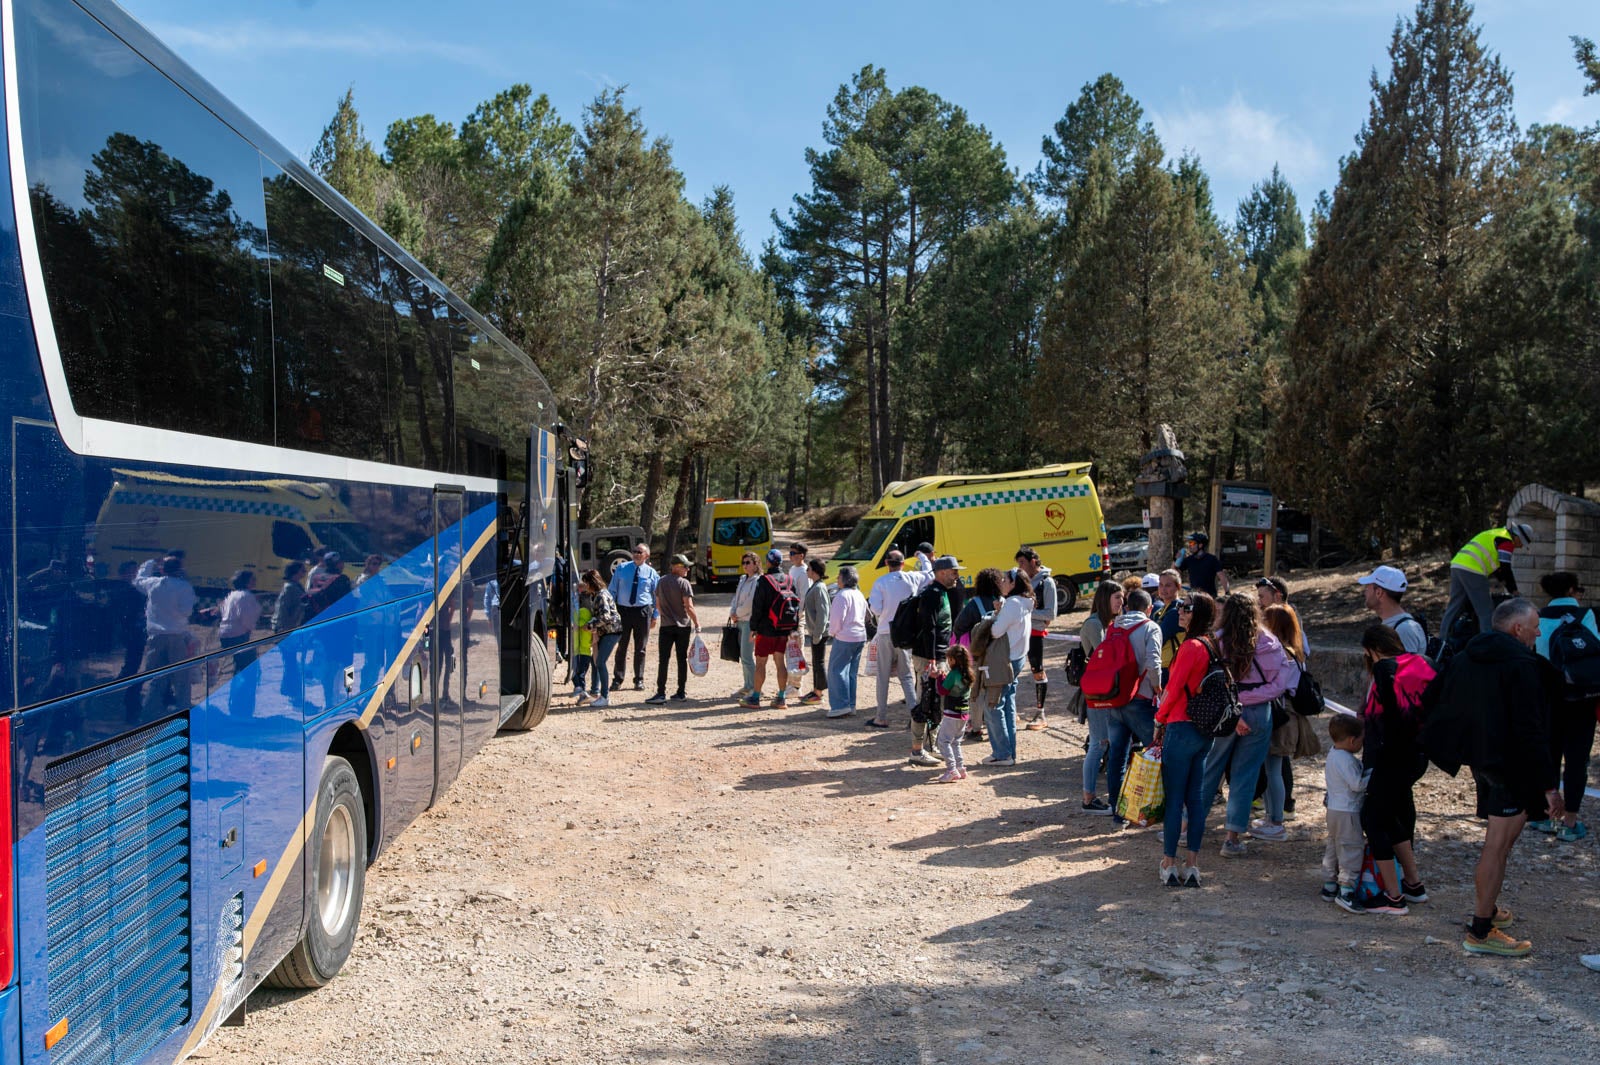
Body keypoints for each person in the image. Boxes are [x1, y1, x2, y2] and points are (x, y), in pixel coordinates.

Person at [1423, 598, 1564, 957]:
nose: (1539, 631)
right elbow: (1531, 730)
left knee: (1504, 838)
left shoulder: (1468, 654)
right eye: (1535, 625)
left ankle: (1490, 906)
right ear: (1517, 629)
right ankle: (1481, 930)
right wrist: (1550, 786)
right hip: (1507, 765)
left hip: (1482, 759)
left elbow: (1435, 698)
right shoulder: (1522, 665)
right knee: (1497, 846)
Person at [1199, 593, 1297, 857]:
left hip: (1226, 711)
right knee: (1245, 776)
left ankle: (1188, 828)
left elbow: (1211, 682)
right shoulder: (1270, 642)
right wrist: (1250, 701)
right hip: (1259, 713)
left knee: (1210, 769)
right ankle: (1232, 838)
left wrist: (1236, 705)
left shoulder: (1217, 642)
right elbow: (1279, 684)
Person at [1354, 623, 1435, 912]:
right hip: (1418, 753)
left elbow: (1387, 714)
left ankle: (1392, 896)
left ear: (1371, 649)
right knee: (1391, 816)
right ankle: (1413, 884)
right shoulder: (1424, 662)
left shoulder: (1383, 669)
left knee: (1372, 818)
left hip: (1390, 755)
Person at [1153, 591, 1218, 887]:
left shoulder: (1191, 646)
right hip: (1205, 729)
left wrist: (1159, 719)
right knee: (1196, 798)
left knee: (1175, 798)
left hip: (1181, 725)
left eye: (1186, 608)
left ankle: (1169, 862)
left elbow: (1174, 688)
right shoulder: (1211, 644)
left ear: (1198, 613)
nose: (1180, 611)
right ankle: (1192, 864)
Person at [1531, 571, 1599, 842]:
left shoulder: (1538, 616)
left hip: (1549, 697)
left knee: (1549, 753)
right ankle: (1570, 821)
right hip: (1583, 698)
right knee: (1577, 760)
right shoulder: (1586, 616)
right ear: (1572, 590)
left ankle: (1544, 814)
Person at [1251, 604, 1318, 841]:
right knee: (1272, 768)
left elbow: (1277, 688)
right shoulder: (1295, 653)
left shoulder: (1282, 654)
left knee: (1273, 769)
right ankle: (1271, 816)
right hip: (1285, 714)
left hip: (1282, 716)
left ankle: (1276, 821)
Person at [1103, 588, 1164, 825]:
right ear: (1149, 608)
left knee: (1117, 756)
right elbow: (1153, 661)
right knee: (1155, 751)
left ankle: (1117, 811)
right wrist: (1157, 688)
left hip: (1116, 698)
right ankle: (1153, 807)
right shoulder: (1151, 627)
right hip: (1140, 699)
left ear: (1127, 606)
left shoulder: (1114, 627)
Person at [907, 556, 962, 766]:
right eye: (954, 571)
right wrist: (931, 658)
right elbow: (928, 627)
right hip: (928, 657)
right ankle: (916, 749)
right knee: (925, 701)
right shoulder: (931, 595)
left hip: (939, 656)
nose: (957, 576)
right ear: (941, 573)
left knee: (936, 703)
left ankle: (933, 746)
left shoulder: (943, 593)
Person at [1442, 522, 1534, 639]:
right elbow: (1505, 567)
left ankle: (1442, 640)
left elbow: (1497, 568)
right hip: (1473, 569)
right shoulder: (1506, 541)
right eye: (1522, 543)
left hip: (1457, 565)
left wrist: (1504, 582)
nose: (1520, 547)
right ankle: (1488, 642)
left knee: (1454, 606)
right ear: (1517, 537)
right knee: (1486, 611)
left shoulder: (1496, 533)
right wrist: (1514, 590)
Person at [1078, 580, 1124, 813]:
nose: (1121, 602)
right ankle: (1088, 798)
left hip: (1107, 691)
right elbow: (1105, 657)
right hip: (1098, 692)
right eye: (1117, 597)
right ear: (1106, 598)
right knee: (1098, 744)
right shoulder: (1094, 625)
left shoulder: (1108, 623)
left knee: (1103, 743)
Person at [865, 550, 925, 728]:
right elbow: (929, 572)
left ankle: (881, 716)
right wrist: (922, 557)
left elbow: (875, 608)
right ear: (903, 562)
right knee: (906, 676)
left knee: (882, 676)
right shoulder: (912, 578)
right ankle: (915, 716)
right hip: (906, 634)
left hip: (885, 631)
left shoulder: (880, 582)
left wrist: (884, 614)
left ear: (886, 563)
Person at [1322, 713, 1371, 914]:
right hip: (1347, 812)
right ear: (1352, 740)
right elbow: (1357, 784)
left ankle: (1329, 884)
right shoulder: (1347, 760)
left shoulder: (1333, 754)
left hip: (1334, 809)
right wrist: (1373, 774)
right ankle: (1347, 890)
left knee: (1333, 845)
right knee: (1351, 848)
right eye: (1361, 740)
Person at [983, 569, 1033, 767]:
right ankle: (1008, 752)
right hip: (1017, 658)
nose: (1001, 582)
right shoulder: (1024, 602)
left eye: (1005, 579)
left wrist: (996, 614)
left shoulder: (1013, 604)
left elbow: (995, 631)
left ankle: (1003, 753)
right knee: (1007, 706)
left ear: (1013, 584)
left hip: (1005, 660)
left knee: (993, 706)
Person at [135, 554, 197, 714]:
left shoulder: (153, 584)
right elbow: (186, 611)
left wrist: (149, 562)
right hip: (176, 635)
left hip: (155, 636)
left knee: (157, 678)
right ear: (180, 569)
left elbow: (138, 579)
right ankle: (183, 710)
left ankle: (149, 713)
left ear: (162, 569)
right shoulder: (184, 587)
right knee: (181, 678)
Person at [954, 567, 1003, 740]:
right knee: (997, 689)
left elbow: (959, 626)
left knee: (976, 691)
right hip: (1000, 655)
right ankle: (996, 726)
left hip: (978, 654)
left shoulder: (975, 604)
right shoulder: (1004, 603)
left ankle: (976, 727)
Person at [743, 548, 794, 710]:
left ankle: (756, 697)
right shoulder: (789, 579)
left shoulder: (764, 581)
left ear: (769, 562)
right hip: (783, 628)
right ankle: (781, 698)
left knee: (760, 663)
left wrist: (753, 628)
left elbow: (757, 607)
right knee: (780, 662)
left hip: (766, 629)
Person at [646, 555, 699, 705]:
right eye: (685, 566)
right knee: (681, 659)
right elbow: (688, 606)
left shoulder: (661, 581)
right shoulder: (684, 583)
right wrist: (697, 623)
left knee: (663, 660)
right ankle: (681, 692)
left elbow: (657, 604)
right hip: (683, 626)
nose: (688, 569)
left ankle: (660, 693)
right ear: (676, 566)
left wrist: (664, 616)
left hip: (666, 626)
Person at [1015, 547, 1057, 730]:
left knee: (1037, 671)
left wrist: (1026, 612)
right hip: (1018, 632)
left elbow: (1050, 613)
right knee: (1011, 670)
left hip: (1035, 634)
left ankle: (1041, 713)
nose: (1020, 567)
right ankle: (1011, 710)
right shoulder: (1021, 581)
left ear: (1033, 561)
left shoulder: (1047, 583)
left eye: (1023, 563)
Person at [609, 543, 660, 691]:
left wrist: (655, 615)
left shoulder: (651, 573)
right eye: (635, 551)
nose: (636, 554)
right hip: (623, 612)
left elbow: (657, 596)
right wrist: (611, 611)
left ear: (646, 556)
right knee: (621, 647)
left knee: (641, 648)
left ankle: (639, 680)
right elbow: (612, 590)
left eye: (640, 552)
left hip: (642, 612)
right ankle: (617, 680)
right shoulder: (622, 569)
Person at [826, 566, 869, 718]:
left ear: (844, 579)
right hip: (860, 636)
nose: (837, 579)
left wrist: (833, 633)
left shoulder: (842, 595)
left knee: (836, 671)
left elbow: (837, 619)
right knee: (851, 672)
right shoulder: (859, 594)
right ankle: (851, 704)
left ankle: (840, 705)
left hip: (845, 636)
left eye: (839, 576)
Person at [1359, 565, 1428, 656]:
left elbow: (1408, 669)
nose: (1365, 592)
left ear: (1379, 592)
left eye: (1368, 587)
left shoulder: (1404, 630)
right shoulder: (1394, 625)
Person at [582, 570, 624, 708]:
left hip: (611, 632)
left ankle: (605, 696)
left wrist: (590, 625)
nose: (585, 586)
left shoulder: (601, 596)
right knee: (597, 662)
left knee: (600, 662)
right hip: (606, 632)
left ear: (591, 583)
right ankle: (600, 693)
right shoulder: (597, 595)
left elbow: (606, 617)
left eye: (586, 583)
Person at [934, 644, 975, 782]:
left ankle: (951, 770)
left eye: (948, 659)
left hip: (952, 712)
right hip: (964, 713)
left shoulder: (953, 674)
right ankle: (961, 767)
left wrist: (940, 678)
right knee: (956, 741)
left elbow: (943, 691)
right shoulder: (968, 673)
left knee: (943, 741)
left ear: (953, 660)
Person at [728, 552, 761, 701]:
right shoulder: (742, 579)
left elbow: (750, 602)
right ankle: (747, 684)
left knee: (747, 655)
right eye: (744, 563)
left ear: (755, 564)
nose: (745, 565)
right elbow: (736, 597)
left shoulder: (757, 580)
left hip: (749, 621)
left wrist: (738, 613)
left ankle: (755, 687)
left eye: (748, 562)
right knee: (743, 654)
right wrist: (732, 612)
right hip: (739, 620)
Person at [217, 569, 263, 673]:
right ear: (247, 581)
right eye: (253, 579)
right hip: (238, 634)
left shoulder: (232, 594)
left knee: (240, 664)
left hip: (225, 633)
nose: (255, 581)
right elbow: (246, 618)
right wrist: (250, 627)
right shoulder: (246, 596)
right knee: (247, 667)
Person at [801, 558, 831, 705]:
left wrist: (818, 634)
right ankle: (816, 689)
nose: (807, 571)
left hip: (819, 633)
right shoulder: (815, 586)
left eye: (808, 569)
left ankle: (819, 693)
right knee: (816, 661)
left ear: (814, 571)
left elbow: (823, 613)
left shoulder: (819, 588)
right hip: (815, 632)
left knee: (819, 662)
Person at [1152, 569, 1185, 683]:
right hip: (1162, 665)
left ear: (1178, 587)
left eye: (1168, 585)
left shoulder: (1177, 611)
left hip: (1170, 667)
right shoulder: (1160, 610)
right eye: (1160, 585)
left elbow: (1158, 639)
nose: (1163, 589)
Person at [1177, 531, 1228, 597]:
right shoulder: (1189, 560)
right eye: (1189, 543)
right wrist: (1176, 560)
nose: (1189, 545)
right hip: (1194, 597)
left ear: (1200, 545)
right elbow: (1174, 573)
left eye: (1192, 543)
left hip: (1210, 597)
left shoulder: (1212, 559)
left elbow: (1222, 576)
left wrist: (1227, 592)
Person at [572, 580, 596, 703]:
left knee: (579, 671)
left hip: (583, 648)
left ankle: (581, 690)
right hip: (581, 647)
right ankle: (581, 690)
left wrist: (577, 625)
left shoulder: (583, 611)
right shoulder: (583, 610)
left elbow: (581, 624)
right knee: (578, 671)